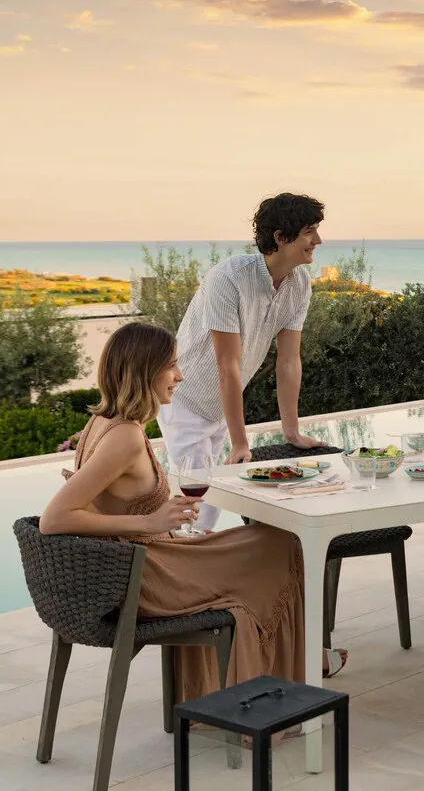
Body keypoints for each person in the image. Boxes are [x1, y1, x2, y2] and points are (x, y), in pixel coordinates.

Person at [40, 322, 345, 704]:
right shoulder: (124, 437)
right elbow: (53, 519)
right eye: (171, 366)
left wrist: (168, 530)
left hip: (144, 562)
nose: (180, 376)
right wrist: (150, 522)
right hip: (147, 576)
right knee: (280, 548)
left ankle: (291, 667)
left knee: (270, 541)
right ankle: (287, 678)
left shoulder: (103, 423)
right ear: (144, 371)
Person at [158, 193, 330, 532]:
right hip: (185, 398)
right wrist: (240, 442)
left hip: (221, 406)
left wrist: (291, 431)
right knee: (197, 502)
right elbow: (228, 365)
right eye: (309, 232)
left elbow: (289, 362)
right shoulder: (228, 278)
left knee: (209, 505)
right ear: (281, 238)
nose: (318, 241)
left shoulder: (299, 284)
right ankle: (174, 558)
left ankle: (189, 557)